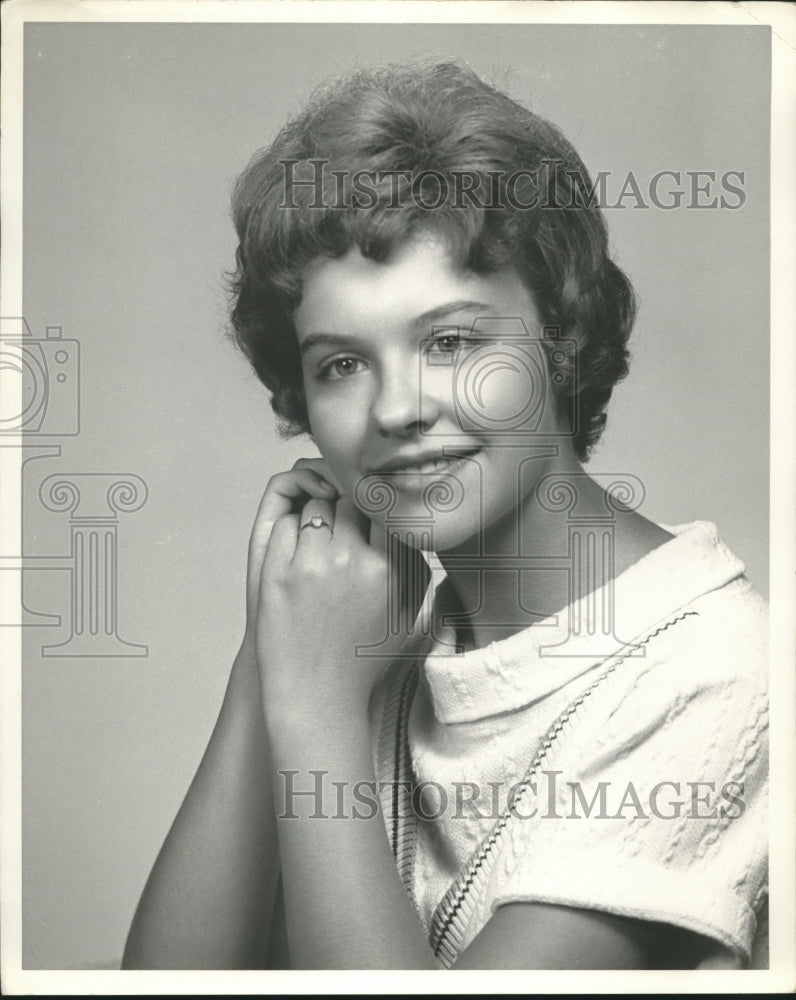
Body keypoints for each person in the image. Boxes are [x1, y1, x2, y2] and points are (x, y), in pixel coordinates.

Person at [122, 61, 768, 971]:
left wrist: (312, 708)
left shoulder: (719, 678)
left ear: (564, 336)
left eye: (452, 342)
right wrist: (270, 657)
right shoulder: (366, 644)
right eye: (341, 363)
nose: (396, 409)